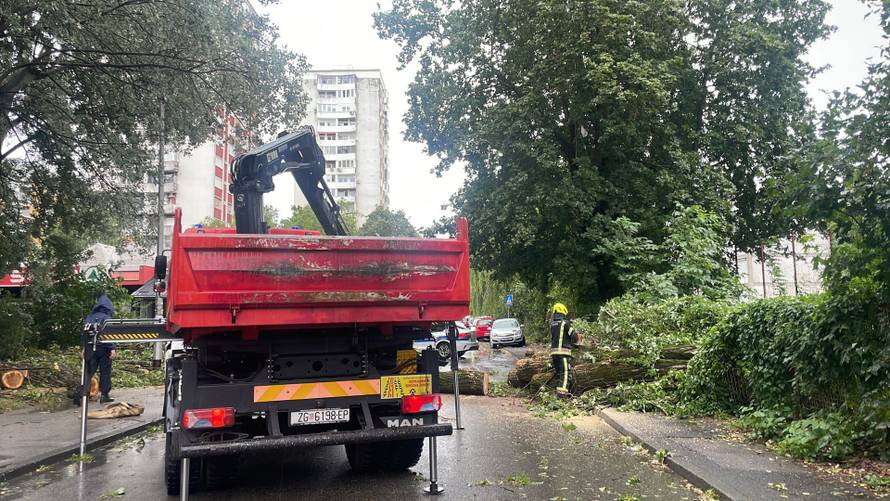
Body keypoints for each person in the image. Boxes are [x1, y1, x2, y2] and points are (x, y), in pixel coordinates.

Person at [79, 294, 116, 404]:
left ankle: (83, 394)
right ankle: (104, 395)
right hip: (104, 348)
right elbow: (109, 335)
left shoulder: (89, 318)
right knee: (105, 371)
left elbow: (84, 334)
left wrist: (83, 348)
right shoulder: (107, 319)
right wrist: (112, 348)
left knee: (89, 371)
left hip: (90, 348)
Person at [549, 303, 579, 398]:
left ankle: (558, 395)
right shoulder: (565, 323)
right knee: (566, 374)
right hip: (563, 353)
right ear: (563, 312)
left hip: (554, 353)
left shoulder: (552, 324)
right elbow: (574, 337)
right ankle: (562, 396)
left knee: (559, 374)